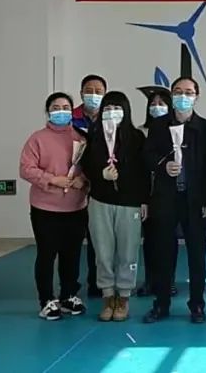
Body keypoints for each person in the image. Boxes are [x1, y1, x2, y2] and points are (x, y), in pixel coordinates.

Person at [142, 77, 206, 324]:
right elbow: (148, 156)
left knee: (197, 256)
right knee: (163, 253)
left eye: (188, 92)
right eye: (178, 91)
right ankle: (161, 304)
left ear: (196, 96)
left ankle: (197, 305)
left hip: (195, 201)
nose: (183, 96)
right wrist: (163, 165)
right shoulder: (158, 126)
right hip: (166, 198)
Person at [80, 91, 150, 322]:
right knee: (103, 252)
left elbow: (144, 173)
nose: (112, 113)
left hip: (129, 204)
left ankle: (124, 297)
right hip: (100, 202)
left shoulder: (137, 138)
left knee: (128, 252)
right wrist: (100, 174)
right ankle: (108, 296)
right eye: (108, 108)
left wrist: (144, 200)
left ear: (126, 111)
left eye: (117, 108)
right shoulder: (94, 136)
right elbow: (85, 166)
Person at [19, 92, 89, 321]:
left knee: (72, 254)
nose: (61, 111)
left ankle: (68, 295)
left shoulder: (81, 137)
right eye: (56, 108)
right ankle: (47, 300)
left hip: (76, 207)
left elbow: (91, 167)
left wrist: (83, 181)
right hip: (45, 208)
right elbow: (26, 169)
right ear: (48, 112)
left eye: (66, 107)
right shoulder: (37, 139)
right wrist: (51, 179)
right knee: (47, 254)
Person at [135, 87, 177, 298]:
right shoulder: (139, 132)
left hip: (168, 194)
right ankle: (150, 279)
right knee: (150, 239)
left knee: (167, 240)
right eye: (153, 104)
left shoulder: (175, 131)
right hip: (146, 194)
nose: (157, 108)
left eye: (162, 104)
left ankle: (168, 281)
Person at [73, 74, 107, 298]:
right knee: (74, 239)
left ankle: (97, 281)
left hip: (101, 188)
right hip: (74, 187)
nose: (93, 95)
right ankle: (70, 285)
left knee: (98, 239)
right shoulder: (70, 119)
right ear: (81, 93)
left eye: (98, 91)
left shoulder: (111, 118)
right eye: (89, 90)